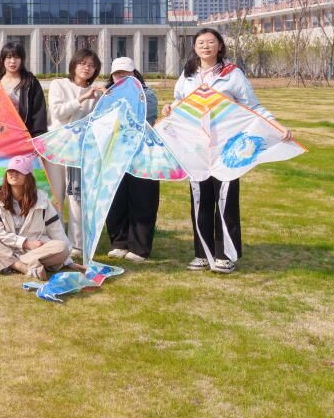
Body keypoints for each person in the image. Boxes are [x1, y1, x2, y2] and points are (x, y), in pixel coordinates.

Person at [164, 28, 292, 274]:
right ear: (194, 48)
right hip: (197, 150)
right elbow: (180, 102)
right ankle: (202, 253)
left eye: (211, 42)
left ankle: (225, 255)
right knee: (200, 200)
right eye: (201, 43)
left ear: (220, 46)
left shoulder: (232, 74)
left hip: (226, 148)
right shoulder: (187, 75)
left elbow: (253, 107)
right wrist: (170, 108)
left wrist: (277, 126)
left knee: (225, 200)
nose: (206, 46)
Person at [0, 154, 71, 280]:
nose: (13, 174)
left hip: (34, 251)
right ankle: (21, 267)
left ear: (28, 176)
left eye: (19, 171)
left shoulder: (42, 199)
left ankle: (5, 262)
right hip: (6, 247)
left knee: (62, 247)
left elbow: (56, 229)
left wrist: (68, 261)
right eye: (10, 171)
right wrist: (25, 243)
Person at [46, 48, 103, 255]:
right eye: (83, 63)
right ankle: (56, 239)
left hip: (80, 150)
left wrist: (101, 98)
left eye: (92, 66)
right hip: (55, 147)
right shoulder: (59, 84)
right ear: (74, 65)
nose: (87, 68)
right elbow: (58, 112)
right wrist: (82, 98)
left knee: (76, 195)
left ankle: (77, 243)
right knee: (56, 195)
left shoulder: (96, 94)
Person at [104, 57, 160, 263]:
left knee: (143, 199)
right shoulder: (107, 95)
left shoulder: (147, 95)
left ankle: (139, 247)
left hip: (142, 154)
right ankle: (118, 242)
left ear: (134, 74)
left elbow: (141, 117)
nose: (121, 78)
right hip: (114, 154)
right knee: (116, 199)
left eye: (126, 74)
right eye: (117, 74)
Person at [0, 42, 48, 135]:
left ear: (22, 59)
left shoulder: (31, 82)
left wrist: (37, 136)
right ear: (2, 59)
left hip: (24, 134)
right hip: (1, 134)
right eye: (9, 57)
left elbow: (39, 113)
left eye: (17, 57)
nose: (13, 61)